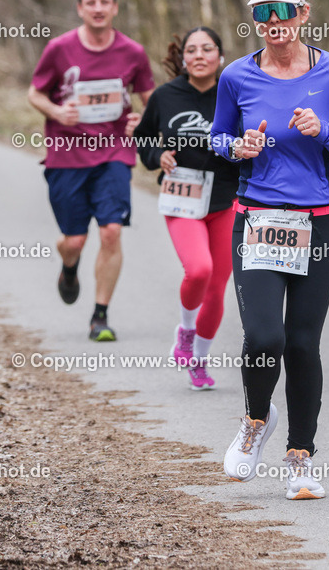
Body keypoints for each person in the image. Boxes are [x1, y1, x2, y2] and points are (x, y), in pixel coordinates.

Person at [212, 0, 329, 499]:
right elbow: (217, 138)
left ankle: (301, 458)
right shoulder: (236, 76)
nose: (273, 23)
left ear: (304, 13)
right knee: (264, 339)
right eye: (262, 13)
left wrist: (321, 132)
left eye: (283, 11)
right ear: (253, 19)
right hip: (256, 220)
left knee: (302, 345)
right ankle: (256, 421)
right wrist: (238, 149)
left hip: (319, 223)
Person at [28, 0, 155, 341]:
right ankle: (69, 268)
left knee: (111, 231)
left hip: (114, 153)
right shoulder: (59, 49)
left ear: (114, 8)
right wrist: (56, 111)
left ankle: (100, 316)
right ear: (80, 8)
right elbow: (34, 94)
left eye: (105, 2)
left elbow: (152, 100)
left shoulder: (132, 52)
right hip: (66, 156)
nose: (98, 8)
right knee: (74, 241)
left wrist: (142, 121)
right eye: (91, 2)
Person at [135, 27, 238, 389]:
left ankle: (200, 359)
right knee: (199, 270)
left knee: (217, 286)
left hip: (226, 198)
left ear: (219, 57)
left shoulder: (234, 93)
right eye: (191, 50)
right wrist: (155, 155)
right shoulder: (165, 96)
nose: (198, 55)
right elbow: (143, 137)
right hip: (182, 197)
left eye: (207, 49)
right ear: (182, 59)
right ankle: (186, 329)